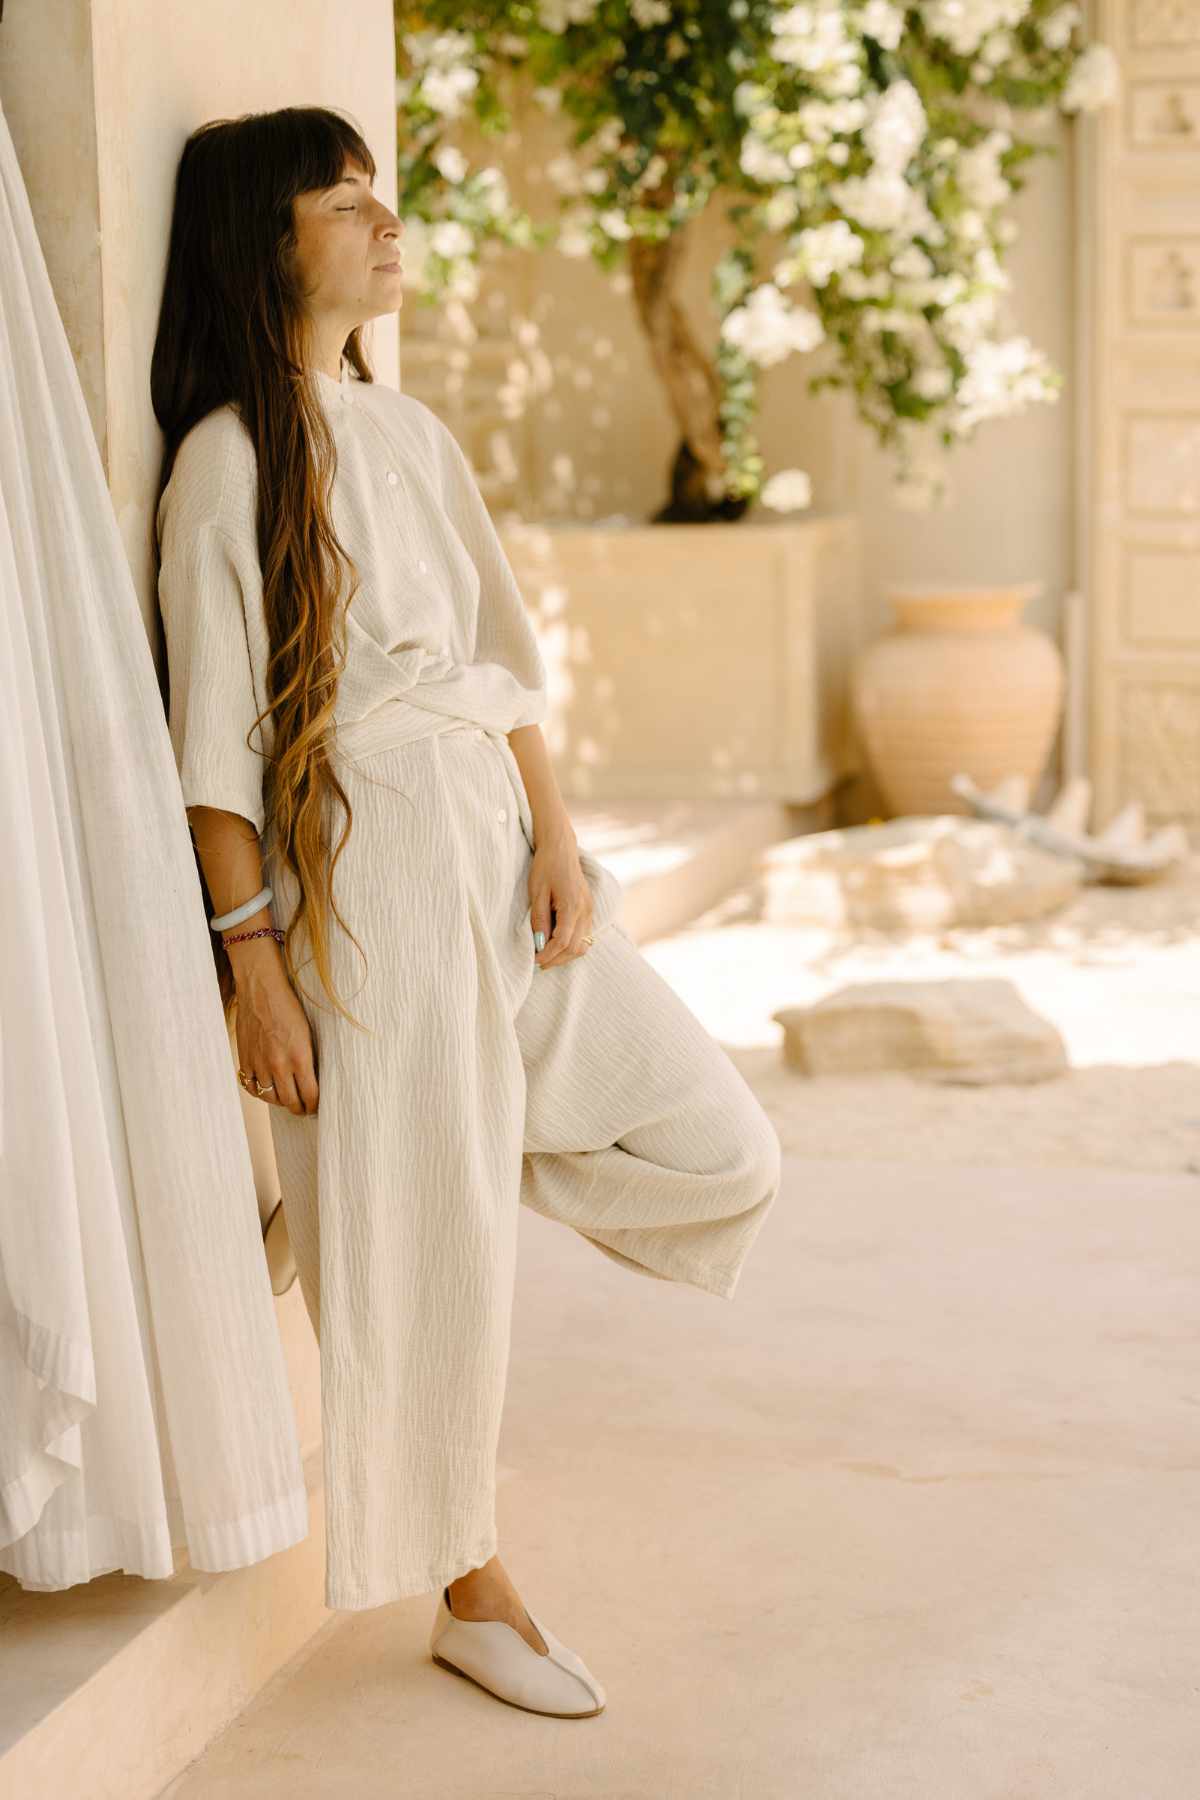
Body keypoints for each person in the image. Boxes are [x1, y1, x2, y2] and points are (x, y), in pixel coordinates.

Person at [151, 104, 781, 1719]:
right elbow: (214, 748)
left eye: (380, 192)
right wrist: (256, 972)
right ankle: (469, 1584)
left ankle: (385, 1170)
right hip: (367, 885)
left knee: (723, 1147)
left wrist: (557, 838)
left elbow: (503, 666)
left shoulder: (409, 432)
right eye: (341, 197)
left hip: (498, 860)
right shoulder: (231, 461)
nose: (382, 217)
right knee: (435, 1265)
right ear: (260, 237)